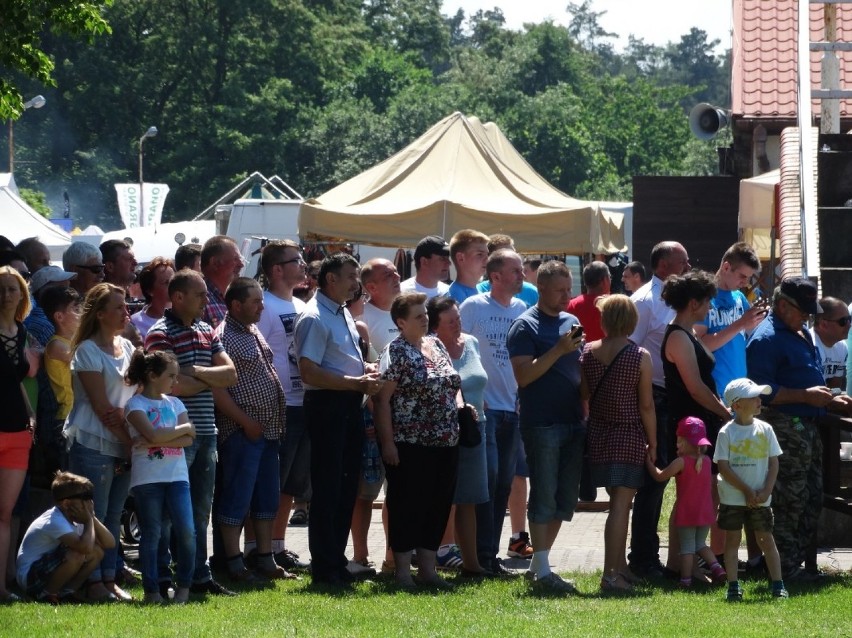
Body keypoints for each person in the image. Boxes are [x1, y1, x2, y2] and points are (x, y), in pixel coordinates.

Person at [745, 277, 852, 581]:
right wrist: (805, 396)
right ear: (782, 306)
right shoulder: (766, 339)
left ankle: (794, 564)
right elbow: (760, 392)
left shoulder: (800, 332)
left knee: (810, 497)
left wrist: (832, 399)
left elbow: (806, 379)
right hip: (783, 428)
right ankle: (783, 568)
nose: (807, 317)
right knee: (788, 500)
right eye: (801, 310)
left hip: (806, 427)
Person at [144, 268, 237, 597]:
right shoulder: (159, 333)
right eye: (200, 295)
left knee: (200, 511)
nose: (206, 301)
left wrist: (194, 371)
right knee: (169, 514)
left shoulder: (205, 328)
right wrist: (207, 376)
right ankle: (164, 577)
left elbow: (230, 375)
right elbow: (171, 385)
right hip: (174, 435)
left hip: (206, 432)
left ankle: (199, 576)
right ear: (178, 297)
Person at [293, 252, 382, 587]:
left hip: (349, 404)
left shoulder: (341, 312)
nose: (354, 283)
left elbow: (341, 360)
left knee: (346, 487)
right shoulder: (314, 316)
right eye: (349, 276)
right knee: (329, 488)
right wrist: (353, 382)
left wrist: (365, 370)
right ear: (330, 279)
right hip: (328, 405)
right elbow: (309, 371)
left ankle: (336, 560)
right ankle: (324, 567)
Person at [373, 292, 463, 589]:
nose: (425, 320)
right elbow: (382, 400)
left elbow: (451, 383)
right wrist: (388, 443)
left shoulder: (435, 344)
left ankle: (428, 570)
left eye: (426, 315)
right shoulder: (396, 351)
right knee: (407, 505)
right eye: (418, 316)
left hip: (445, 440)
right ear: (401, 322)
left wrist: (462, 406)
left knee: (437, 505)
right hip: (410, 442)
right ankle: (401, 572)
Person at [508, 260, 586, 593]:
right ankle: (540, 572)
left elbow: (578, 368)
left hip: (573, 421)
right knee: (543, 496)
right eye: (560, 290)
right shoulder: (524, 327)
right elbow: (524, 376)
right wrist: (557, 350)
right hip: (542, 424)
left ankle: (540, 566)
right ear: (540, 288)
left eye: (569, 289)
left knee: (565, 500)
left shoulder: (572, 321)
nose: (567, 296)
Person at [212, 277, 294, 583]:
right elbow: (218, 391)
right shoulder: (223, 337)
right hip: (242, 433)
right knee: (236, 498)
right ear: (236, 305)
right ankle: (232, 562)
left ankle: (265, 558)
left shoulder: (252, 329)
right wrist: (246, 423)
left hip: (267, 431)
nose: (262, 306)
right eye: (256, 301)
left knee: (265, 500)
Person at [62, 282, 136, 602]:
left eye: (125, 305)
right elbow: (102, 408)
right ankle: (92, 582)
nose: (126, 312)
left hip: (123, 441)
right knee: (94, 514)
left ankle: (109, 578)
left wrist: (130, 436)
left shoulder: (129, 348)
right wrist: (131, 440)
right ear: (101, 314)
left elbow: (132, 400)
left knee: (115, 513)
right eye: (119, 307)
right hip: (94, 443)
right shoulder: (87, 351)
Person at [579, 294, 656, 592]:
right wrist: (653, 441)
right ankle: (611, 576)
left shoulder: (587, 351)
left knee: (617, 503)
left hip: (598, 435)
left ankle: (620, 567)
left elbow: (584, 393)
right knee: (621, 506)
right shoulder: (640, 356)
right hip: (628, 435)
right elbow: (646, 405)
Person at [460, 248, 526, 576]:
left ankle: (489, 555)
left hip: (512, 410)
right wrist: (469, 393)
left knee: (502, 486)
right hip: (482, 411)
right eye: (515, 271)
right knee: (486, 483)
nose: (522, 276)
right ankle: (477, 556)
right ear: (495, 276)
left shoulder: (522, 309)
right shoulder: (473, 306)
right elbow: (452, 346)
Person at [627, 241, 690, 577]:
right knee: (652, 478)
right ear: (664, 265)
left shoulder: (676, 299)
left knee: (662, 479)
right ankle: (642, 559)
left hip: (674, 396)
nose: (689, 265)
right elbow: (631, 352)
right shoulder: (645, 302)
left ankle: (653, 557)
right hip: (652, 397)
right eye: (684, 261)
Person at [661, 270, 732, 570]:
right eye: (707, 302)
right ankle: (679, 562)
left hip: (702, 422)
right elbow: (695, 387)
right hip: (690, 424)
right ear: (693, 303)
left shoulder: (689, 333)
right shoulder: (678, 335)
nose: (710, 308)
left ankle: (692, 560)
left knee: (703, 491)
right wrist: (724, 412)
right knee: (690, 493)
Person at [254, 240, 310, 572]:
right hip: (280, 405)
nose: (303, 265)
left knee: (293, 482)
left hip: (305, 403)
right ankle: (260, 548)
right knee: (274, 481)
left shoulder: (303, 307)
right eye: (296, 260)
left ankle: (278, 546)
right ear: (277, 269)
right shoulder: (265, 306)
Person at [124, 349, 196, 604]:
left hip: (177, 477)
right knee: (152, 534)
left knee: (186, 531)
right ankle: (152, 591)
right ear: (153, 376)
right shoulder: (135, 405)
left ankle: (184, 586)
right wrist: (182, 429)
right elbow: (159, 436)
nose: (175, 382)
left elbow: (188, 439)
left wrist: (160, 435)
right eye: (171, 376)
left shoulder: (176, 404)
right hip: (147, 480)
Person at [428, 295, 489, 576]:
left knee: (471, 499)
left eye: (458, 318)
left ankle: (472, 563)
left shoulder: (472, 343)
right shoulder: (429, 349)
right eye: (450, 321)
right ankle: (435, 554)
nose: (457, 324)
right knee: (441, 496)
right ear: (434, 325)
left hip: (475, 430)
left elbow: (478, 382)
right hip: (442, 431)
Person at [717, 378, 787, 601]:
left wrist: (766, 490)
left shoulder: (765, 429)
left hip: (761, 498)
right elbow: (723, 467)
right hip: (733, 497)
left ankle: (778, 585)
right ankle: (733, 586)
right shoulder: (726, 433)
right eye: (754, 397)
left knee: (766, 539)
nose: (759, 400)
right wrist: (746, 490)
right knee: (732, 540)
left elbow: (774, 462)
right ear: (737, 405)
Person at [645, 417, 727, 588]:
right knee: (700, 544)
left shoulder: (681, 462)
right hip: (705, 512)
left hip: (687, 512)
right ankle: (717, 568)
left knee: (688, 547)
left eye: (678, 441)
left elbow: (660, 476)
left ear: (682, 441)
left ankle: (686, 580)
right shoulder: (705, 461)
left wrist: (648, 463)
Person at [16, 471, 114, 604]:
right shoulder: (54, 520)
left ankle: (67, 593)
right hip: (30, 576)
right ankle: (47, 595)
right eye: (84, 497)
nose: (90, 502)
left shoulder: (78, 517)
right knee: (77, 554)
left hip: (46, 569)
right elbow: (84, 547)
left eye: (90, 496)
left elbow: (110, 543)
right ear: (66, 503)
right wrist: (88, 521)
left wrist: (91, 517)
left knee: (97, 552)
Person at [0, 266, 36, 602]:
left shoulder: (22, 331)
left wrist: (30, 415)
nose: (7, 294)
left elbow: (15, 381)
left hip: (16, 428)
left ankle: (1, 586)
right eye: (1, 288)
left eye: (13, 288)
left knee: (6, 512)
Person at [694, 242, 764, 397]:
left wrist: (759, 318)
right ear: (726, 267)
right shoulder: (704, 297)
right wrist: (740, 324)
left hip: (740, 389)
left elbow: (748, 332)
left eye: (749, 278)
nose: (746, 283)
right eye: (742, 276)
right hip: (714, 392)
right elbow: (699, 345)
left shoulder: (739, 297)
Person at [41, 286, 82, 472]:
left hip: (77, 415)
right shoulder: (56, 345)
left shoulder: (74, 343)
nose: (81, 312)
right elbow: (83, 361)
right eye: (75, 308)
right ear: (59, 317)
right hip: (65, 418)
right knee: (69, 475)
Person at [475, 234, 538, 308]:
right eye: (506, 254)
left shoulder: (532, 292)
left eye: (514, 253)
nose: (513, 257)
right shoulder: (479, 292)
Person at [360, 258, 402, 357]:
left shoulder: (407, 311)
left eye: (395, 271)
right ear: (372, 287)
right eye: (388, 275)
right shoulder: (361, 317)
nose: (397, 277)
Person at [200, 235, 244, 329]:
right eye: (235, 259)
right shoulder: (199, 300)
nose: (241, 264)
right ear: (215, 263)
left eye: (241, 259)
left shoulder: (237, 299)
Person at [810, 296, 850, 390]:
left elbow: (835, 387)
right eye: (843, 321)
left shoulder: (842, 347)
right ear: (823, 324)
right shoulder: (808, 346)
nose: (849, 325)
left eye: (849, 319)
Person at [567, 260, 611, 343]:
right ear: (605, 280)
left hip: (580, 354)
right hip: (609, 354)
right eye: (610, 277)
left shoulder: (571, 305)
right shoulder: (615, 305)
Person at [131, 257, 175, 339]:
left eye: (174, 281)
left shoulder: (186, 316)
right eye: (166, 282)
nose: (173, 286)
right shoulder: (135, 323)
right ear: (149, 290)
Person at [447, 229, 490, 303]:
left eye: (487, 254)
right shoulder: (452, 298)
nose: (487, 259)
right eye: (480, 254)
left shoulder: (481, 292)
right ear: (460, 258)